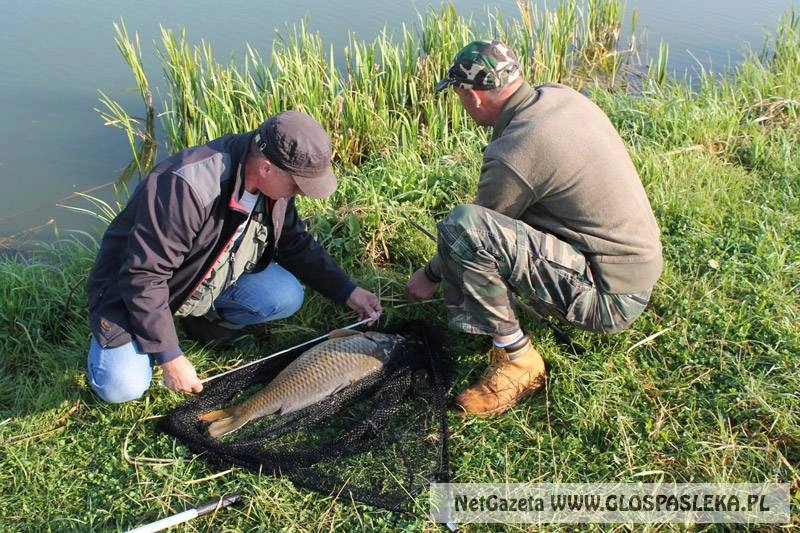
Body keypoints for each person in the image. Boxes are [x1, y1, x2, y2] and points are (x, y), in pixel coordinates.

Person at [405, 40, 663, 417]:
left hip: (611, 299)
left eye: (459, 95)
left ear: (473, 96)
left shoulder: (516, 152)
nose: (462, 103)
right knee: (488, 229)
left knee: (463, 229)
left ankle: (518, 359)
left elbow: (474, 231)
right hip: (638, 267)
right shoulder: (560, 97)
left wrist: (429, 275)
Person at [86, 110, 382, 403]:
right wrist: (170, 357)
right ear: (266, 168)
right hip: (131, 291)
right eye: (296, 185)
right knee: (122, 387)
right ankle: (144, 336)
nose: (300, 193)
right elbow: (143, 277)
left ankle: (202, 319)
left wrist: (348, 291)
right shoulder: (185, 187)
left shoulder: (274, 184)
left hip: (202, 276)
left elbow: (294, 243)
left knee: (284, 294)